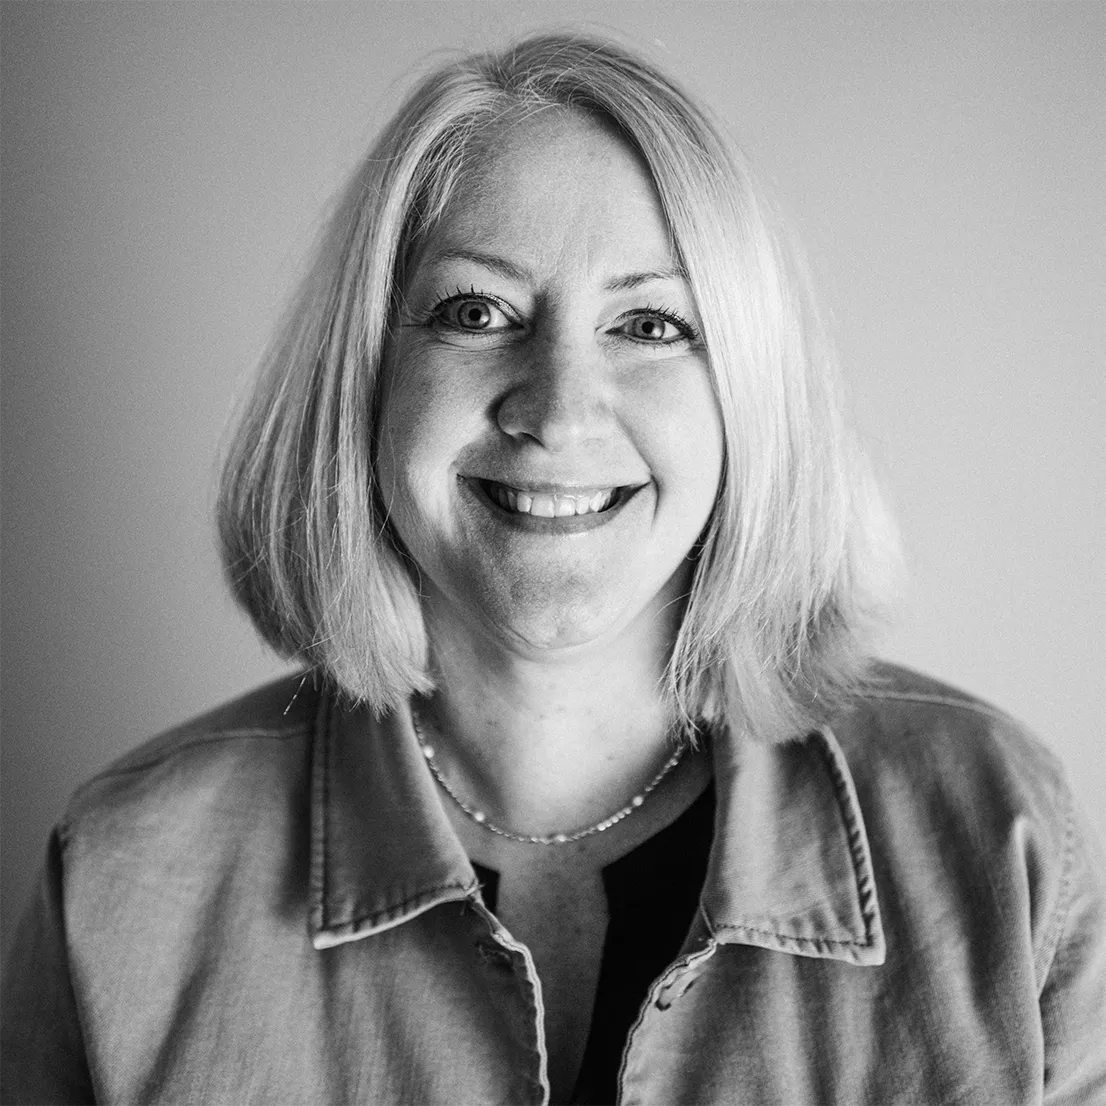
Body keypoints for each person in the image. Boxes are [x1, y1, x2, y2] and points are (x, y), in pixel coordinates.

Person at [2, 30, 1104, 1106]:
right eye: (476, 312)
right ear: (365, 384)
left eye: (650, 324)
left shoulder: (997, 832)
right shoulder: (119, 876)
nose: (560, 410)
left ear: (750, 401)